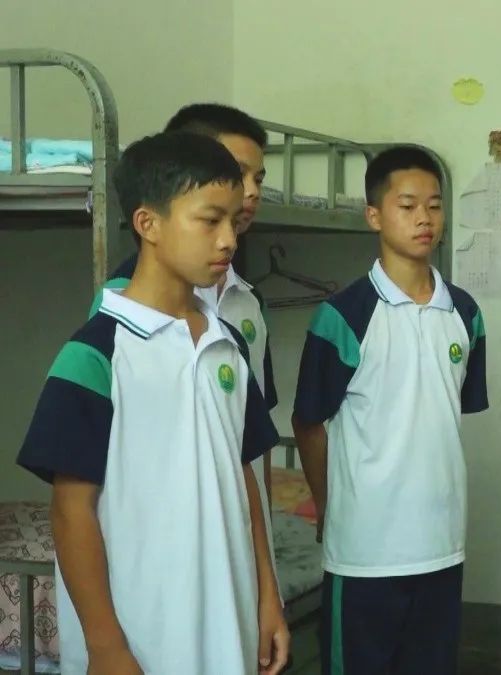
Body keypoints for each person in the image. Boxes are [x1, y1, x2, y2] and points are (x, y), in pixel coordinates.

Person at [18, 131, 289, 675]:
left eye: (232, 221)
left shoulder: (227, 346)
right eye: (209, 221)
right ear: (148, 224)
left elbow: (245, 481)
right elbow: (71, 512)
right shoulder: (95, 355)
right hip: (137, 639)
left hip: (228, 626)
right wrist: (105, 646)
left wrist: (267, 597)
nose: (228, 240)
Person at [291, 146, 488, 674]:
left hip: (442, 544)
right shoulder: (343, 316)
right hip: (364, 551)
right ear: (374, 215)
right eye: (407, 205)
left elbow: (447, 415)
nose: (424, 218)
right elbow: (307, 422)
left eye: (435, 205)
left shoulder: (465, 313)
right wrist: (329, 505)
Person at [89, 103, 279, 519]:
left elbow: (253, 437)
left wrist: (265, 524)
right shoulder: (124, 308)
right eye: (237, 172)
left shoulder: (248, 301)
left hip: (237, 530)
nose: (250, 191)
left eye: (258, 178)